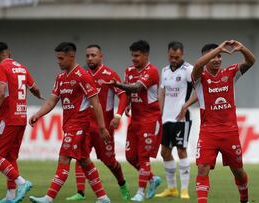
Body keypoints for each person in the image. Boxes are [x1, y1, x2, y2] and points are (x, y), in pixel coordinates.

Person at [28, 42, 111, 203]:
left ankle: (48, 198)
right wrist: (38, 114)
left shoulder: (82, 76)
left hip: (79, 125)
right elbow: (52, 101)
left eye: (61, 58)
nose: (58, 62)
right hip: (69, 125)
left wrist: (102, 128)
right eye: (57, 58)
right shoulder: (60, 78)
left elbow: (96, 103)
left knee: (64, 159)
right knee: (84, 161)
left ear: (71, 57)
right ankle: (103, 197)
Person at [192, 40, 255, 203]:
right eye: (214, 56)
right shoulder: (199, 77)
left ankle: (244, 199)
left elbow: (251, 61)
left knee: (238, 171)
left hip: (230, 132)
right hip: (208, 132)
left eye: (220, 56)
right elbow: (198, 65)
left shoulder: (230, 73)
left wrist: (242, 49)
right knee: (202, 169)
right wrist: (218, 48)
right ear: (206, 58)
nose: (218, 59)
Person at [66, 44, 130, 201]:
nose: (90, 58)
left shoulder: (109, 75)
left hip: (104, 127)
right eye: (87, 55)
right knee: (81, 156)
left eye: (93, 55)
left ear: (101, 56)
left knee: (109, 161)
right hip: (85, 125)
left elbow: (123, 96)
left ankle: (122, 184)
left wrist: (118, 116)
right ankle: (80, 192)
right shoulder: (81, 74)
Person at [0, 42, 43, 203]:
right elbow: (34, 87)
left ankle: (22, 183)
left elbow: (1, 91)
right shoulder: (22, 68)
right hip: (21, 117)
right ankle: (10, 197)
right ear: (9, 53)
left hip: (8, 118)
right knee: (10, 157)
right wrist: (39, 96)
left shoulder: (0, 67)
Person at [107, 40, 162, 202]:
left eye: (137, 55)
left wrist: (118, 84)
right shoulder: (129, 71)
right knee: (131, 157)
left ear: (146, 55)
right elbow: (129, 92)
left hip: (150, 119)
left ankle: (140, 192)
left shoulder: (152, 71)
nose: (134, 59)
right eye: (132, 55)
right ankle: (152, 178)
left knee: (143, 156)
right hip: (136, 119)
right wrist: (128, 104)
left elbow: (136, 87)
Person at [155, 41, 195, 199]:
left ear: (182, 55)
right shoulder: (164, 71)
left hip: (181, 118)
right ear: (168, 54)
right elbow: (162, 93)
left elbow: (199, 89)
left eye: (177, 57)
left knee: (181, 150)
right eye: (171, 56)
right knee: (164, 152)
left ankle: (184, 189)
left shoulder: (188, 70)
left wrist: (185, 106)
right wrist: (160, 112)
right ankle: (172, 188)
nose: (174, 59)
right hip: (166, 118)